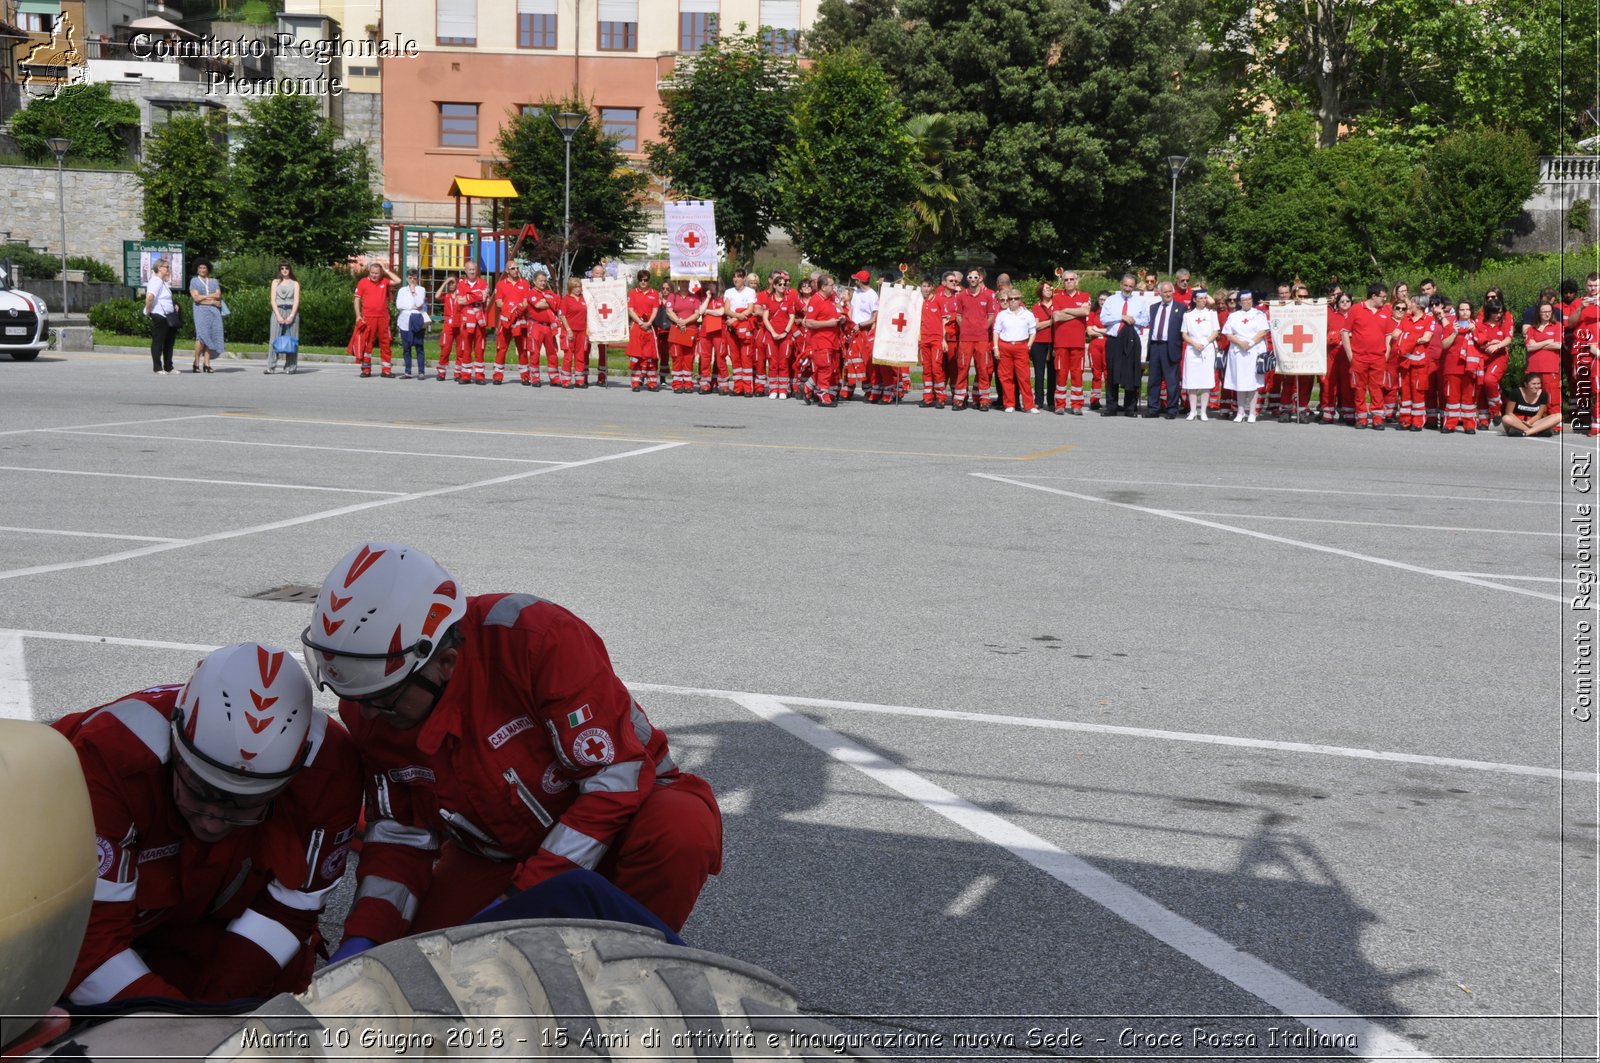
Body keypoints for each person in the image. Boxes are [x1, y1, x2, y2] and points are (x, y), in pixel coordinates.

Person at [300, 544, 723, 950]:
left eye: (381, 699)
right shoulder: (372, 699)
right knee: (430, 967)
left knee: (679, 831)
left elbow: (614, 781)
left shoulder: (536, 638)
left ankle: (629, 974)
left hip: (626, 820)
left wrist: (525, 901)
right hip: (499, 853)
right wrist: (367, 938)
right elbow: (400, 835)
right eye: (353, 699)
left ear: (444, 663)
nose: (365, 717)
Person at [54, 644, 361, 1005]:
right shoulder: (109, 757)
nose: (213, 822)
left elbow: (291, 907)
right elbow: (85, 943)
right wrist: (177, 1029)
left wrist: (219, 1009)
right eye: (200, 791)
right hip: (104, 922)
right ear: (174, 742)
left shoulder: (330, 769)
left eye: (244, 803)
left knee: (276, 991)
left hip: (206, 922)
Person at [1343, 283, 1395, 430]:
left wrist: (1386, 353)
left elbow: (1388, 335)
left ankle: (1378, 418)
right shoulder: (1356, 309)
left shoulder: (1385, 311)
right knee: (1359, 388)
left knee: (1377, 388)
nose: (1384, 300)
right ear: (1373, 296)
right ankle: (1361, 418)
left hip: (1378, 358)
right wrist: (1350, 355)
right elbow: (1345, 332)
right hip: (1359, 357)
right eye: (1382, 297)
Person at [951, 268, 999, 411]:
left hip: (982, 338)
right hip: (966, 338)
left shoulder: (987, 296)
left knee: (983, 369)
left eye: (975, 277)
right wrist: (965, 327)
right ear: (967, 279)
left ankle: (984, 400)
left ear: (980, 279)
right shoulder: (961, 296)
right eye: (970, 277)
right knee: (962, 368)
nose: (973, 279)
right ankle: (959, 399)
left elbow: (991, 316)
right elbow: (958, 315)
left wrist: (983, 327)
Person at [1099, 274, 1146, 417]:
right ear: (1121, 284)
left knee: (1131, 374)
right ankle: (1111, 407)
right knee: (1112, 373)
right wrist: (1121, 317)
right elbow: (1104, 319)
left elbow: (1145, 320)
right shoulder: (1111, 301)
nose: (1128, 289)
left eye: (1131, 286)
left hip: (1131, 341)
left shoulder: (1139, 302)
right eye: (1125, 285)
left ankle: (1129, 408)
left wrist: (1133, 319)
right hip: (1114, 340)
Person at [1221, 289, 1270, 422]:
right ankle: (1240, 412)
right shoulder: (1234, 316)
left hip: (1254, 350)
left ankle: (1252, 412)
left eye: (1249, 300)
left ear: (1252, 301)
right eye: (1244, 301)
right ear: (1240, 302)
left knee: (1253, 383)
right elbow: (1228, 334)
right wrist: (1241, 343)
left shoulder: (1259, 314)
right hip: (1238, 351)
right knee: (1239, 382)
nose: (1247, 302)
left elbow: (1263, 332)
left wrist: (1250, 342)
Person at [1393, 295, 1437, 431]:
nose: (1409, 305)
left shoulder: (1429, 319)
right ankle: (1405, 420)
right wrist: (1413, 338)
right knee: (1405, 392)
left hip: (1419, 363)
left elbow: (1426, 338)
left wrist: (1407, 338)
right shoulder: (1406, 318)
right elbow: (1395, 334)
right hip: (1405, 361)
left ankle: (1418, 421)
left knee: (1417, 392)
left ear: (1418, 305)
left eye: (1411, 302)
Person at [1050, 272, 1091, 414]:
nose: (1068, 282)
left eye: (1071, 279)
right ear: (1062, 282)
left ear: (1076, 281)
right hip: (1061, 342)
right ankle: (1060, 404)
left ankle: (1076, 405)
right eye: (1066, 280)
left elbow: (1085, 311)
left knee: (1077, 374)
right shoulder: (1057, 297)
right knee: (1061, 374)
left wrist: (1066, 310)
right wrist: (1076, 312)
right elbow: (1056, 317)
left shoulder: (1085, 296)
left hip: (1077, 342)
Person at [1143, 281, 1186, 418]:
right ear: (1160, 293)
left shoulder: (1181, 307)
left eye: (1169, 291)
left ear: (1172, 292)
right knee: (1153, 380)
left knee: (1172, 381)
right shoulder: (1153, 307)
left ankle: (1172, 409)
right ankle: (1153, 409)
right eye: (1164, 292)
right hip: (1155, 346)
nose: (1167, 294)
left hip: (1171, 347)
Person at [992, 291, 1039, 412]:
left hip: (1021, 346)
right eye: (1010, 299)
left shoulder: (1028, 314)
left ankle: (1029, 405)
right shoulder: (1002, 314)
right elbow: (996, 331)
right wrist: (996, 347)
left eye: (1015, 298)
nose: (1012, 301)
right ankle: (1009, 404)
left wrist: (1028, 346)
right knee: (1006, 377)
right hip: (1005, 346)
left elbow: (1032, 332)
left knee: (1024, 377)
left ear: (1020, 299)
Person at [352, 260, 400, 379]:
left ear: (380, 273)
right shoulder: (362, 282)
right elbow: (357, 299)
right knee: (367, 344)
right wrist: (358, 315)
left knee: (386, 343)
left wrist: (387, 271)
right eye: (372, 273)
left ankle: (386, 370)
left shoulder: (384, 281)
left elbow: (398, 281)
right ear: (369, 272)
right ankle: (366, 369)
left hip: (383, 318)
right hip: (368, 318)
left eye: (377, 273)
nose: (374, 275)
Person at [802, 274, 845, 407]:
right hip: (821, 340)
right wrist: (829, 323)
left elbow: (839, 310)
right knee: (825, 368)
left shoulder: (831, 297)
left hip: (833, 339)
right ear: (823, 287)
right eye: (831, 285)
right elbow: (809, 322)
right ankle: (823, 395)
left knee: (829, 368)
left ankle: (807, 387)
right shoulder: (815, 300)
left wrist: (841, 318)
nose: (834, 288)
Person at [1441, 299, 1482, 434]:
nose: (1465, 312)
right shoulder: (1451, 326)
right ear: (1458, 311)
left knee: (1468, 398)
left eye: (1467, 310)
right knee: (1452, 397)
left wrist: (1474, 331)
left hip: (1470, 366)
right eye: (1462, 309)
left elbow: (1482, 342)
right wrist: (1454, 333)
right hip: (1453, 366)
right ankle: (1450, 424)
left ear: (1471, 312)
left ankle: (1469, 425)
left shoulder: (1477, 326)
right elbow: (1444, 345)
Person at [1473, 296, 1515, 428]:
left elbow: (1508, 339)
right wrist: (1491, 343)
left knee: (1490, 380)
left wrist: (1497, 345)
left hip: (1499, 357)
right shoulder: (1479, 324)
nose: (1498, 315)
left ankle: (1495, 410)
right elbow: (1478, 341)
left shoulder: (1503, 323)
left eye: (1500, 312)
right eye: (1495, 312)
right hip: (1482, 358)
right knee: (1480, 386)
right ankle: (1484, 420)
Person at [758, 271, 800, 400]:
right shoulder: (768, 300)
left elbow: (791, 318)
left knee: (784, 362)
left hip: (785, 336)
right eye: (780, 284)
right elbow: (765, 318)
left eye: (784, 284)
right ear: (775, 286)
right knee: (773, 362)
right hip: (771, 335)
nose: (782, 286)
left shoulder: (789, 300)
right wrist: (773, 333)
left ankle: (783, 388)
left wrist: (785, 333)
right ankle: (773, 388)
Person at [1180, 288, 1219, 420]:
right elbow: (1184, 333)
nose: (1203, 301)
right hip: (1193, 349)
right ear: (1194, 299)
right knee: (1192, 381)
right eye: (1200, 298)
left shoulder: (1212, 314)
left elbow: (1215, 332)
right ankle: (1192, 411)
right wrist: (1194, 343)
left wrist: (1205, 342)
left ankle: (1203, 411)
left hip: (1207, 349)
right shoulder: (1188, 315)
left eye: (1204, 298)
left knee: (1206, 381)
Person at [490, 265, 530, 386]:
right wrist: (511, 310)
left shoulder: (525, 283)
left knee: (522, 349)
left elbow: (526, 302)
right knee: (501, 349)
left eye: (517, 268)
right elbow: (499, 302)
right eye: (512, 268)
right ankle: (497, 376)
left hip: (520, 321)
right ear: (507, 270)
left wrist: (518, 311)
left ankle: (525, 377)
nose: (516, 270)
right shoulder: (501, 284)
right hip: (505, 321)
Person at [665, 279, 703, 394]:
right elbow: (668, 311)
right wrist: (679, 321)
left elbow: (697, 313)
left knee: (688, 357)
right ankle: (677, 384)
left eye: (686, 282)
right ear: (678, 284)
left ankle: (688, 383)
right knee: (677, 357)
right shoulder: (673, 296)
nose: (684, 284)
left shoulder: (695, 297)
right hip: (676, 329)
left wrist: (685, 321)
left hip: (690, 330)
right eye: (682, 282)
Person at [626, 270, 661, 392]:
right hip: (637, 327)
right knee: (636, 356)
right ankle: (635, 382)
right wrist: (640, 322)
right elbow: (631, 310)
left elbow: (655, 310)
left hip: (649, 327)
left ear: (648, 280)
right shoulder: (633, 293)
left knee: (650, 356)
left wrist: (649, 322)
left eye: (645, 280)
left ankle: (651, 383)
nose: (643, 282)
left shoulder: (654, 293)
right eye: (640, 280)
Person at [454, 261, 489, 385]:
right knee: (466, 348)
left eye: (474, 269)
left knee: (479, 349)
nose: (472, 272)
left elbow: (483, 297)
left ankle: (480, 376)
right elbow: (460, 301)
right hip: (466, 321)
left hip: (479, 321)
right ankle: (466, 375)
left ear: (477, 270)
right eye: (470, 270)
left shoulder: (483, 283)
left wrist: (468, 297)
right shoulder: (461, 284)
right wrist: (476, 296)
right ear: (465, 271)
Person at [724, 270, 758, 396]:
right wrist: (736, 316)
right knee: (735, 358)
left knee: (746, 358)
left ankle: (748, 388)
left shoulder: (750, 292)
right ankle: (738, 387)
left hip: (744, 328)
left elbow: (750, 309)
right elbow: (726, 309)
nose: (736, 279)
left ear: (744, 279)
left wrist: (736, 318)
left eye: (738, 277)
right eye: (734, 276)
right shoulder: (729, 292)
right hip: (732, 328)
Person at [1320, 292, 1352, 424]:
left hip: (1348, 356)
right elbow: (1324, 335)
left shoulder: (1355, 317)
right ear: (1337, 304)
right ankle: (1328, 414)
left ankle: (1349, 414)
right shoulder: (1331, 317)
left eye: (1347, 301)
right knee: (1329, 384)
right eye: (1341, 301)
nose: (1344, 303)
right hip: (1332, 355)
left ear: (1351, 302)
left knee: (1348, 385)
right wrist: (1336, 338)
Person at [527, 270, 563, 387]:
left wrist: (547, 301)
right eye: (540, 281)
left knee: (552, 353)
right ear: (534, 281)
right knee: (535, 353)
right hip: (536, 326)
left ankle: (554, 378)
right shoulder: (531, 293)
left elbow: (558, 303)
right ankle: (535, 378)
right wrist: (551, 303)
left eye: (544, 281)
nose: (543, 283)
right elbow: (537, 305)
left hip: (548, 327)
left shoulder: (550, 292)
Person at [143, 258, 178, 375]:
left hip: (168, 316)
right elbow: (150, 297)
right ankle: (157, 367)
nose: (168, 269)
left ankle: (169, 366)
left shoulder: (163, 282)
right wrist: (148, 311)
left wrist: (174, 305)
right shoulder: (156, 280)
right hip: (160, 315)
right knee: (159, 341)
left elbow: (164, 298)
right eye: (166, 267)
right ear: (159, 268)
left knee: (169, 341)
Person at [187, 262, 223, 374]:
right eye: (200, 267)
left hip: (214, 312)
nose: (202, 269)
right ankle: (196, 362)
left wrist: (205, 298)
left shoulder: (214, 281)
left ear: (208, 269)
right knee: (201, 336)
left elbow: (218, 295)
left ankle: (207, 363)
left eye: (204, 267)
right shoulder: (194, 281)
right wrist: (212, 300)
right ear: (197, 269)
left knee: (211, 335)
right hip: (200, 311)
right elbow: (196, 298)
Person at [267, 261, 301, 376]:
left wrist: (291, 316)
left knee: (292, 339)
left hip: (291, 311)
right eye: (282, 268)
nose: (284, 270)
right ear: (279, 270)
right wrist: (278, 315)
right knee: (274, 339)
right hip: (278, 310)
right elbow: (273, 300)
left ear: (290, 270)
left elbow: (296, 300)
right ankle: (271, 367)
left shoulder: (295, 283)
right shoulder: (275, 282)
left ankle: (290, 367)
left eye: (286, 268)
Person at [395, 269, 429, 380]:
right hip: (404, 321)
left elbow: (419, 303)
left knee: (419, 346)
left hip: (417, 320)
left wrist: (414, 291)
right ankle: (408, 371)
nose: (412, 280)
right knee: (406, 347)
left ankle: (421, 371)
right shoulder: (402, 290)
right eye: (410, 278)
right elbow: (399, 305)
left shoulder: (421, 289)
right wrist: (411, 306)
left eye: (415, 278)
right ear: (406, 278)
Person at [1029, 281, 1056, 413]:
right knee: (1039, 373)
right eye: (1046, 288)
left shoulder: (1057, 305)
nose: (1049, 290)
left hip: (1054, 343)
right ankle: (1038, 401)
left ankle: (1051, 401)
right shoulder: (1036, 307)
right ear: (1041, 291)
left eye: (1050, 288)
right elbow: (1036, 325)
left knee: (1053, 373)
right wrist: (1051, 321)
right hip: (1039, 342)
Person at [560, 277, 589, 388]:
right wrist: (568, 330)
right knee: (568, 356)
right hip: (570, 331)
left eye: (579, 287)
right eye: (575, 287)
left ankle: (579, 380)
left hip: (582, 331)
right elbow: (562, 315)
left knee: (580, 355)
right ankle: (566, 380)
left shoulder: (583, 298)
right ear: (570, 288)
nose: (578, 289)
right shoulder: (566, 299)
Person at [1085, 290, 1109, 411]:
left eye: (1105, 300)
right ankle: (1095, 400)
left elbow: (1112, 330)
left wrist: (1097, 329)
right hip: (1095, 344)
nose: (1102, 302)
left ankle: (1110, 400)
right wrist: (1102, 330)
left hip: (1107, 343)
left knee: (1108, 373)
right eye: (1101, 300)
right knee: (1096, 373)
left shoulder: (1112, 313)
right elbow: (1089, 331)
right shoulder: (1093, 313)